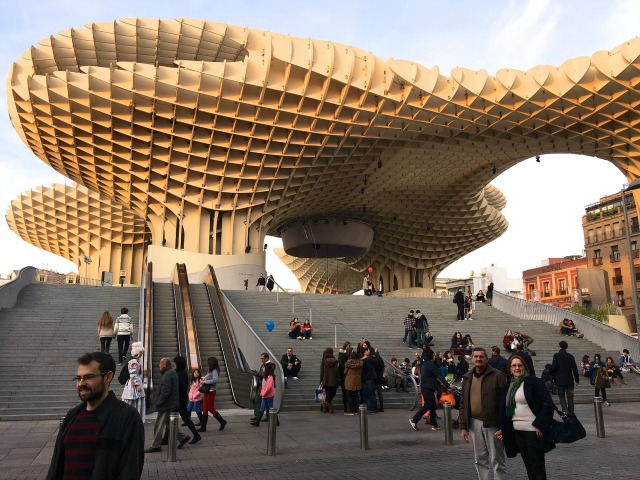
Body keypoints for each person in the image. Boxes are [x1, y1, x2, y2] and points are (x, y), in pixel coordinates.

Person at [46, 352, 144, 479]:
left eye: (88, 377)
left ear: (108, 377)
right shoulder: (72, 416)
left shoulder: (127, 418)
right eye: (78, 378)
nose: (81, 383)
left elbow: (129, 471)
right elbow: (56, 467)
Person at [499, 355, 555, 480]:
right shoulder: (510, 386)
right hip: (518, 431)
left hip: (533, 430)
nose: (517, 368)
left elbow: (548, 404)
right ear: (509, 369)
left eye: (520, 365)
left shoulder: (533, 382)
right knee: (528, 465)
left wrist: (540, 424)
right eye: (514, 365)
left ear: (525, 367)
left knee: (537, 466)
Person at [459, 347, 507, 480]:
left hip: (493, 424)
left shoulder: (498, 376)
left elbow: (505, 403)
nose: (478, 359)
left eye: (481, 357)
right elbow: (463, 403)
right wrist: (463, 426)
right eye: (476, 357)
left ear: (486, 359)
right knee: (479, 459)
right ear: (472, 359)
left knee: (497, 459)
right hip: (474, 423)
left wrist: (503, 427)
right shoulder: (468, 377)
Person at [145, 357, 191, 452]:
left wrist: (158, 403)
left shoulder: (168, 374)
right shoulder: (171, 372)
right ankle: (183, 437)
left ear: (164, 365)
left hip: (166, 404)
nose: (158, 365)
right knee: (170, 423)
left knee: (159, 425)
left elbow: (166, 391)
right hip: (170, 403)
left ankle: (155, 445)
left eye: (160, 364)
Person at [409, 349, 450, 431]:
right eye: (434, 355)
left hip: (427, 387)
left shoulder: (425, 364)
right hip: (428, 388)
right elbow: (439, 375)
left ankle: (434, 424)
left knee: (433, 405)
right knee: (428, 404)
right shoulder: (431, 365)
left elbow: (432, 377)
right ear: (432, 357)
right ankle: (414, 419)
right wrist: (448, 385)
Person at [198, 356, 227, 432]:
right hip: (208, 391)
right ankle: (203, 427)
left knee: (210, 408)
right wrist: (203, 379)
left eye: (208, 362)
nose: (207, 364)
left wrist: (205, 382)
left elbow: (215, 379)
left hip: (211, 391)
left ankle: (222, 421)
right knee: (204, 408)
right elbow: (209, 378)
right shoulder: (210, 370)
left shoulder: (214, 371)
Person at [549, 340, 579, 413]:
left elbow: (554, 367)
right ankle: (571, 412)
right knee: (570, 397)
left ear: (560, 347)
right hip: (569, 380)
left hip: (560, 380)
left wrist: (550, 373)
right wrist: (577, 379)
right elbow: (575, 369)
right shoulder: (570, 356)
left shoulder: (556, 355)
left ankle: (565, 411)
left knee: (561, 396)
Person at [121, 341, 146, 422]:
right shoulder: (134, 362)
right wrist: (137, 385)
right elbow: (133, 374)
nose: (142, 354)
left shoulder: (134, 362)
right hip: (133, 386)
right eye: (141, 352)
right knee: (134, 401)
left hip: (132, 385)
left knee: (132, 401)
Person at [250, 353, 270, 421]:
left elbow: (266, 375)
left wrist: (258, 374)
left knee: (258, 400)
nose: (262, 359)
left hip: (265, 386)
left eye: (263, 358)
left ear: (266, 358)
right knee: (266, 401)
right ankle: (262, 416)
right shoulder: (263, 365)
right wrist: (258, 373)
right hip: (262, 384)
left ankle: (258, 416)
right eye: (261, 358)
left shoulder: (269, 365)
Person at [319, 347, 339, 413]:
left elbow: (322, 371)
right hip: (333, 380)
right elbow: (336, 371)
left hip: (326, 380)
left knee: (328, 394)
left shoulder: (324, 360)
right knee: (332, 393)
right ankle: (330, 407)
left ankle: (326, 405)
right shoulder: (334, 361)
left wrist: (321, 380)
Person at [343, 349, 362, 415]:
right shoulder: (360, 362)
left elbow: (345, 372)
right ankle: (356, 409)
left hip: (349, 380)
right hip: (357, 380)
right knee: (355, 395)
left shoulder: (348, 362)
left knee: (348, 395)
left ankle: (351, 409)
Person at [361, 347, 378, 414]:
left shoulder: (361, 360)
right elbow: (377, 360)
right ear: (365, 352)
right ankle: (372, 409)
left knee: (364, 395)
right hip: (370, 379)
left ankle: (364, 409)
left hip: (364, 379)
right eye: (368, 350)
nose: (369, 351)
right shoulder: (369, 359)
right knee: (372, 395)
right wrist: (376, 353)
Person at [337, 342, 351, 413]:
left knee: (347, 392)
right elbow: (342, 365)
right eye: (347, 346)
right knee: (345, 392)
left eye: (349, 346)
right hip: (344, 376)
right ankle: (346, 407)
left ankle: (347, 407)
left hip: (347, 377)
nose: (348, 347)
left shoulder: (346, 355)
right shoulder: (343, 355)